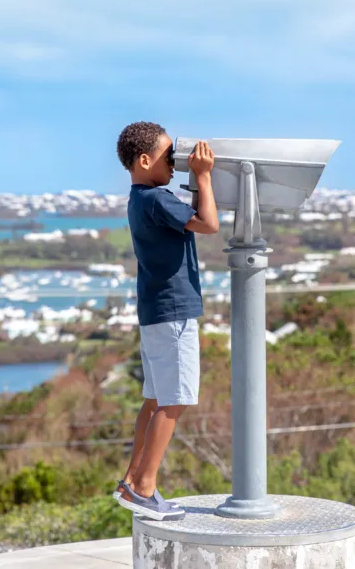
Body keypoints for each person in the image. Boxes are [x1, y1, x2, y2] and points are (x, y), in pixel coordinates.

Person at [112, 122, 219, 521]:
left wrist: (193, 179)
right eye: (167, 155)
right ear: (144, 160)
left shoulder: (139, 198)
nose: (173, 163)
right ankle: (144, 486)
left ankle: (131, 480)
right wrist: (203, 177)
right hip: (174, 313)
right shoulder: (157, 199)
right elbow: (208, 224)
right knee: (174, 401)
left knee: (155, 399)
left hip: (155, 311)